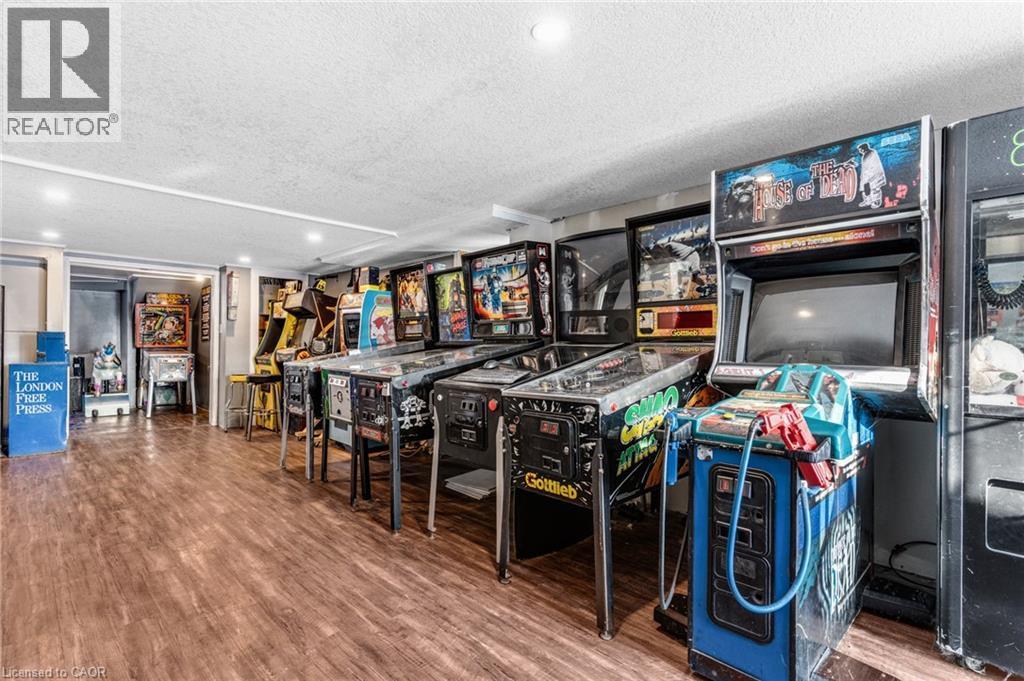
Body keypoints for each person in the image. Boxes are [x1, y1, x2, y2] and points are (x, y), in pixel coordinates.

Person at [857, 142, 887, 209]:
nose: (860, 151)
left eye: (860, 149)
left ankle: (876, 202)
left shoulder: (871, 152)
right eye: (859, 150)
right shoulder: (864, 156)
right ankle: (867, 201)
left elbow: (872, 165)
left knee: (875, 188)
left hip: (875, 174)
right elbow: (864, 167)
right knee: (864, 189)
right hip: (867, 176)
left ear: (864, 148)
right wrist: (863, 176)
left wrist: (868, 175)